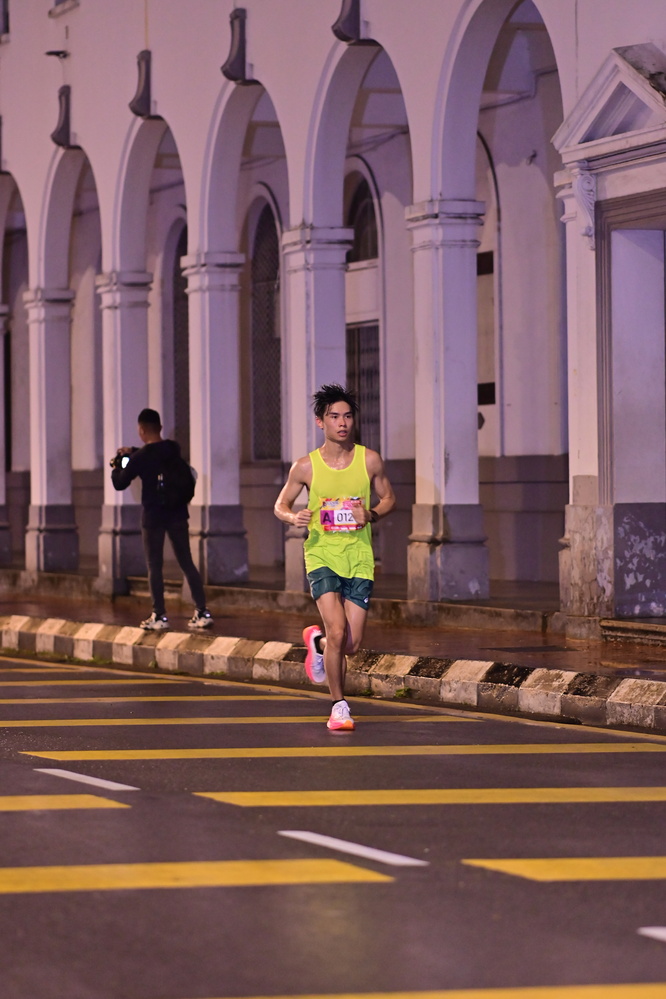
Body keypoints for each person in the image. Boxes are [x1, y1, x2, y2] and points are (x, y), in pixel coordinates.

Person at [274, 384, 396, 731]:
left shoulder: (369, 460)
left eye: (347, 416)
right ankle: (338, 706)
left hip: (359, 556)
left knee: (351, 645)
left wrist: (370, 514)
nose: (342, 423)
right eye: (334, 417)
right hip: (322, 554)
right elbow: (280, 504)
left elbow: (389, 499)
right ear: (320, 422)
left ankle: (318, 642)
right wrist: (293, 517)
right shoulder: (305, 467)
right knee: (338, 630)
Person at [111, 408, 214, 631]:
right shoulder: (173, 448)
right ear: (160, 427)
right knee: (186, 562)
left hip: (153, 517)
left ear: (141, 430)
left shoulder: (140, 459)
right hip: (177, 513)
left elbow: (120, 483)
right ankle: (202, 612)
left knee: (154, 565)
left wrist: (117, 464)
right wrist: (134, 451)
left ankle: (159, 615)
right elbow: (157, 454)